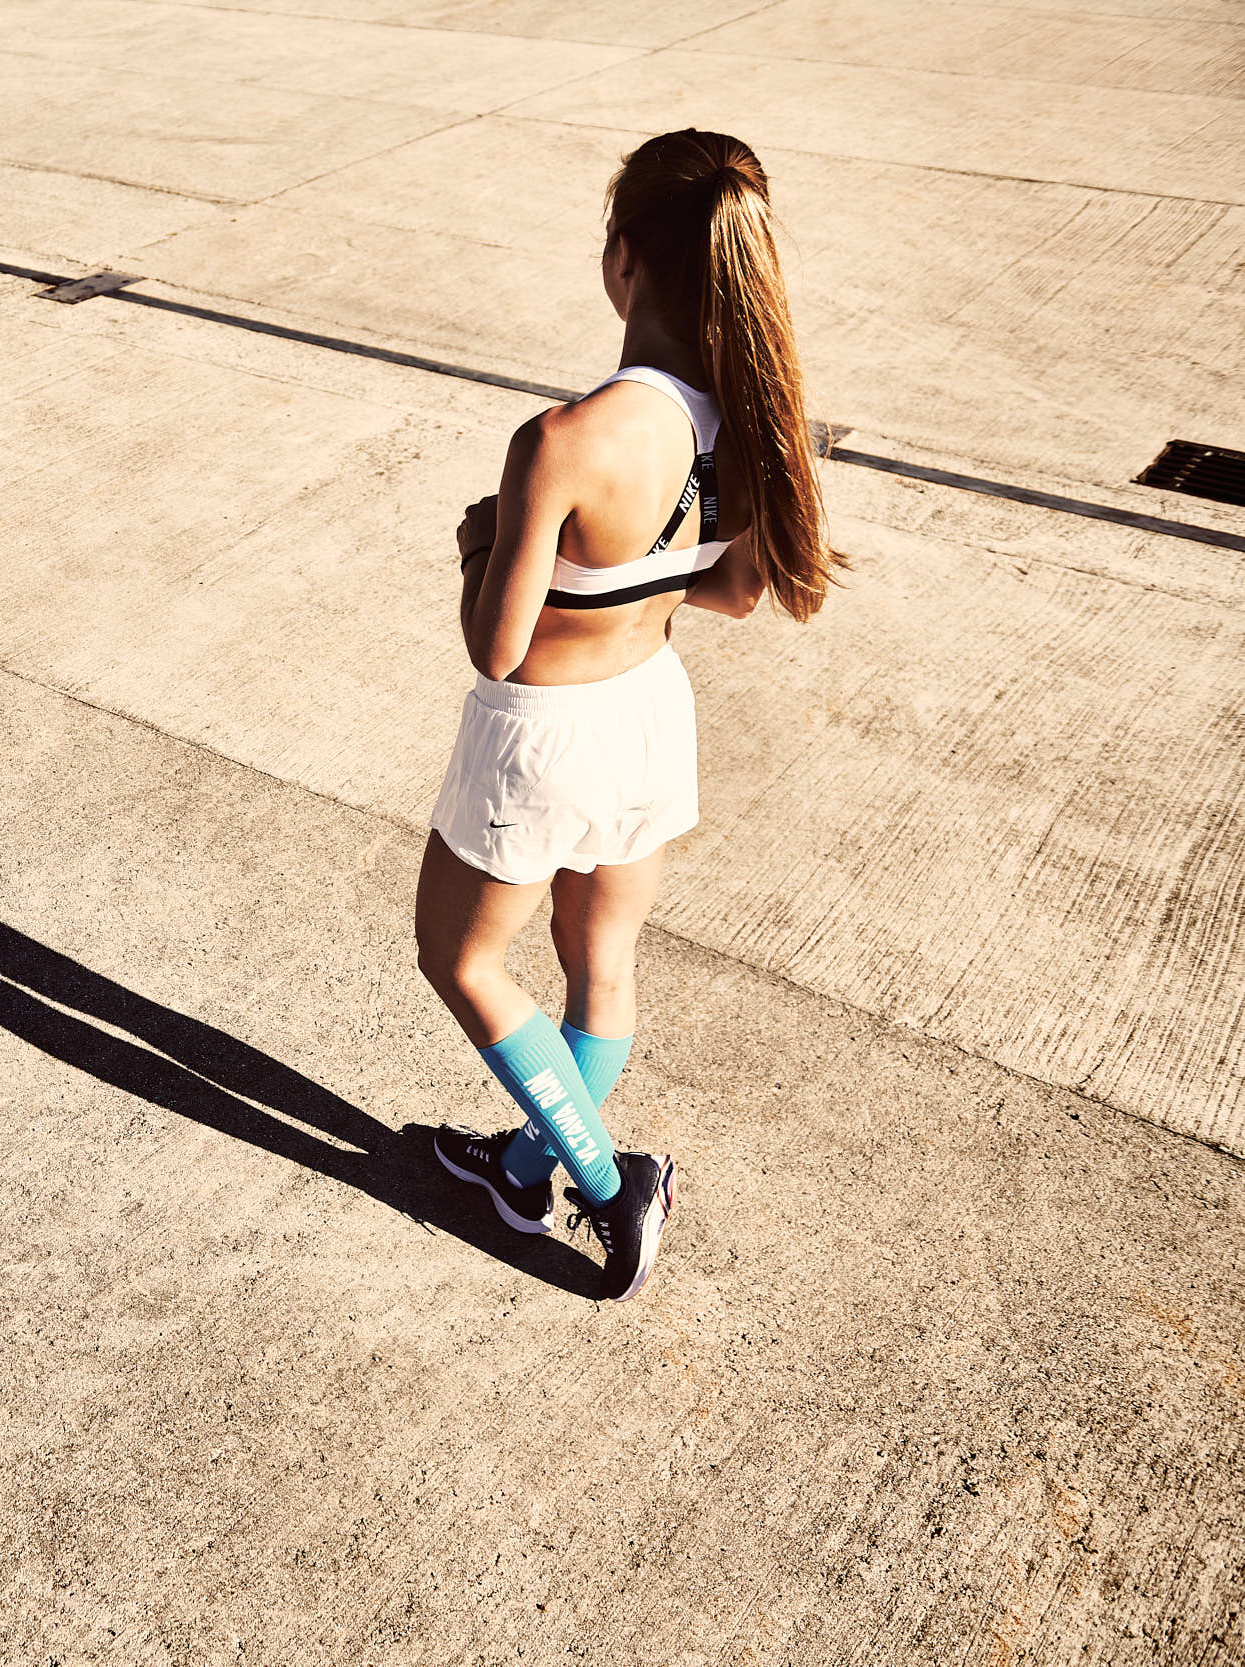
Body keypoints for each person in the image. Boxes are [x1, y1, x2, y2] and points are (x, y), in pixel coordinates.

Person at [419, 129, 844, 1302]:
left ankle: (610, 1184)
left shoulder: (560, 442)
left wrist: (478, 547)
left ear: (623, 263)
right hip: (648, 715)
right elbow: (737, 591)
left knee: (461, 959)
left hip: (539, 742)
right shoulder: (761, 424)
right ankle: (520, 1166)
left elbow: (495, 645)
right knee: (598, 967)